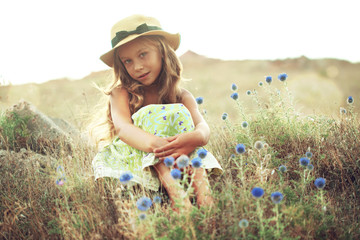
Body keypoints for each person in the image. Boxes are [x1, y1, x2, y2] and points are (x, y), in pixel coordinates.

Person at [91, 14, 222, 210]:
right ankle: (179, 201)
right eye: (127, 61)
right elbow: (123, 128)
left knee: (180, 114)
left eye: (143, 54)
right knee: (149, 116)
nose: (137, 67)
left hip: (181, 154)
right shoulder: (121, 93)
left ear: (162, 52)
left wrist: (194, 138)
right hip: (139, 155)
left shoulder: (181, 96)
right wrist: (158, 146)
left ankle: (205, 199)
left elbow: (202, 127)